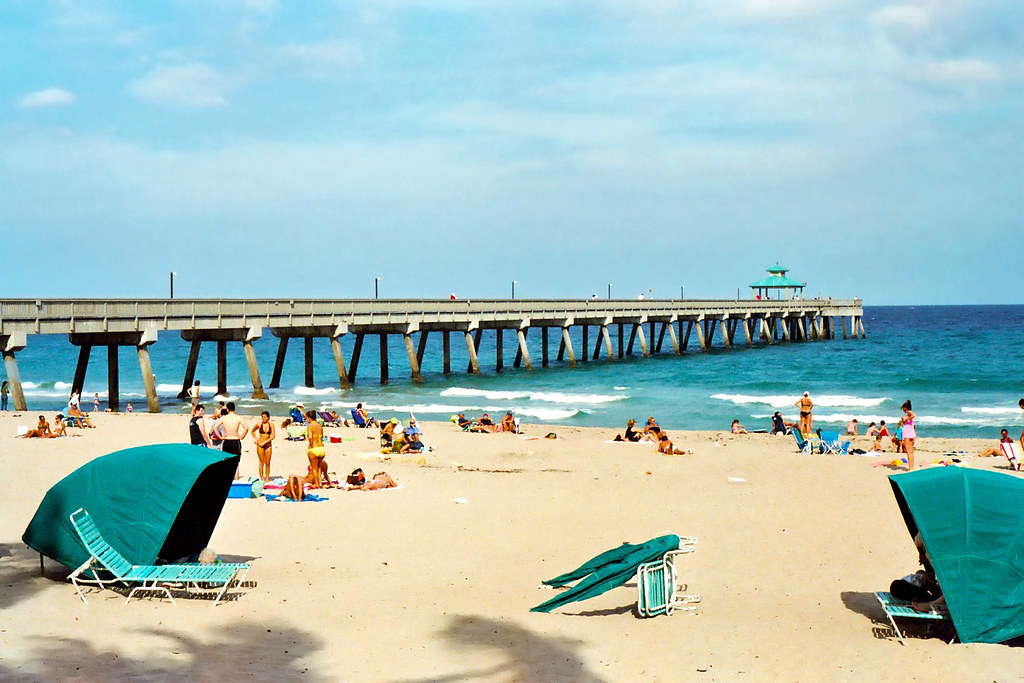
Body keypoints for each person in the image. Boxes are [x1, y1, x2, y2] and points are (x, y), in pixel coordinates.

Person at [251, 411, 276, 481]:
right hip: (260, 445)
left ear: (268, 417)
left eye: (264, 417)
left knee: (267, 463)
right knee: (261, 462)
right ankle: (262, 478)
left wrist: (265, 442)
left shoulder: (271, 425)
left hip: (268, 445)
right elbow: (252, 431)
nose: (263, 418)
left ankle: (267, 478)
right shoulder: (259, 424)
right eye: (262, 417)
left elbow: (273, 436)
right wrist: (255, 439)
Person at [305, 409, 327, 488]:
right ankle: (320, 483)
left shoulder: (310, 427)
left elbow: (310, 437)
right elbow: (321, 438)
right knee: (319, 467)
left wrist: (310, 445)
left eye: (307, 418)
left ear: (310, 418)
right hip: (321, 448)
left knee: (314, 468)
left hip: (314, 449)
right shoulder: (320, 426)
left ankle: (316, 484)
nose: (306, 420)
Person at [900, 400, 917, 470]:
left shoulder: (909, 413)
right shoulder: (908, 416)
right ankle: (912, 467)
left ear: (905, 408)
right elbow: (913, 426)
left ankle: (910, 468)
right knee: (911, 451)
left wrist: (906, 419)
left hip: (907, 434)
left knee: (908, 451)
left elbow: (914, 415)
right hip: (911, 433)